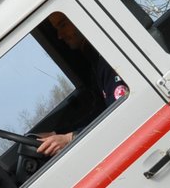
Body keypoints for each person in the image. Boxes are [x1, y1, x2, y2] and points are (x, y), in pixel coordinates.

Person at [35, 13, 128, 156]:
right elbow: (101, 110)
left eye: (63, 25)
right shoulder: (95, 62)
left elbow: (121, 113)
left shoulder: (108, 58)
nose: (59, 35)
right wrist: (59, 134)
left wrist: (70, 138)